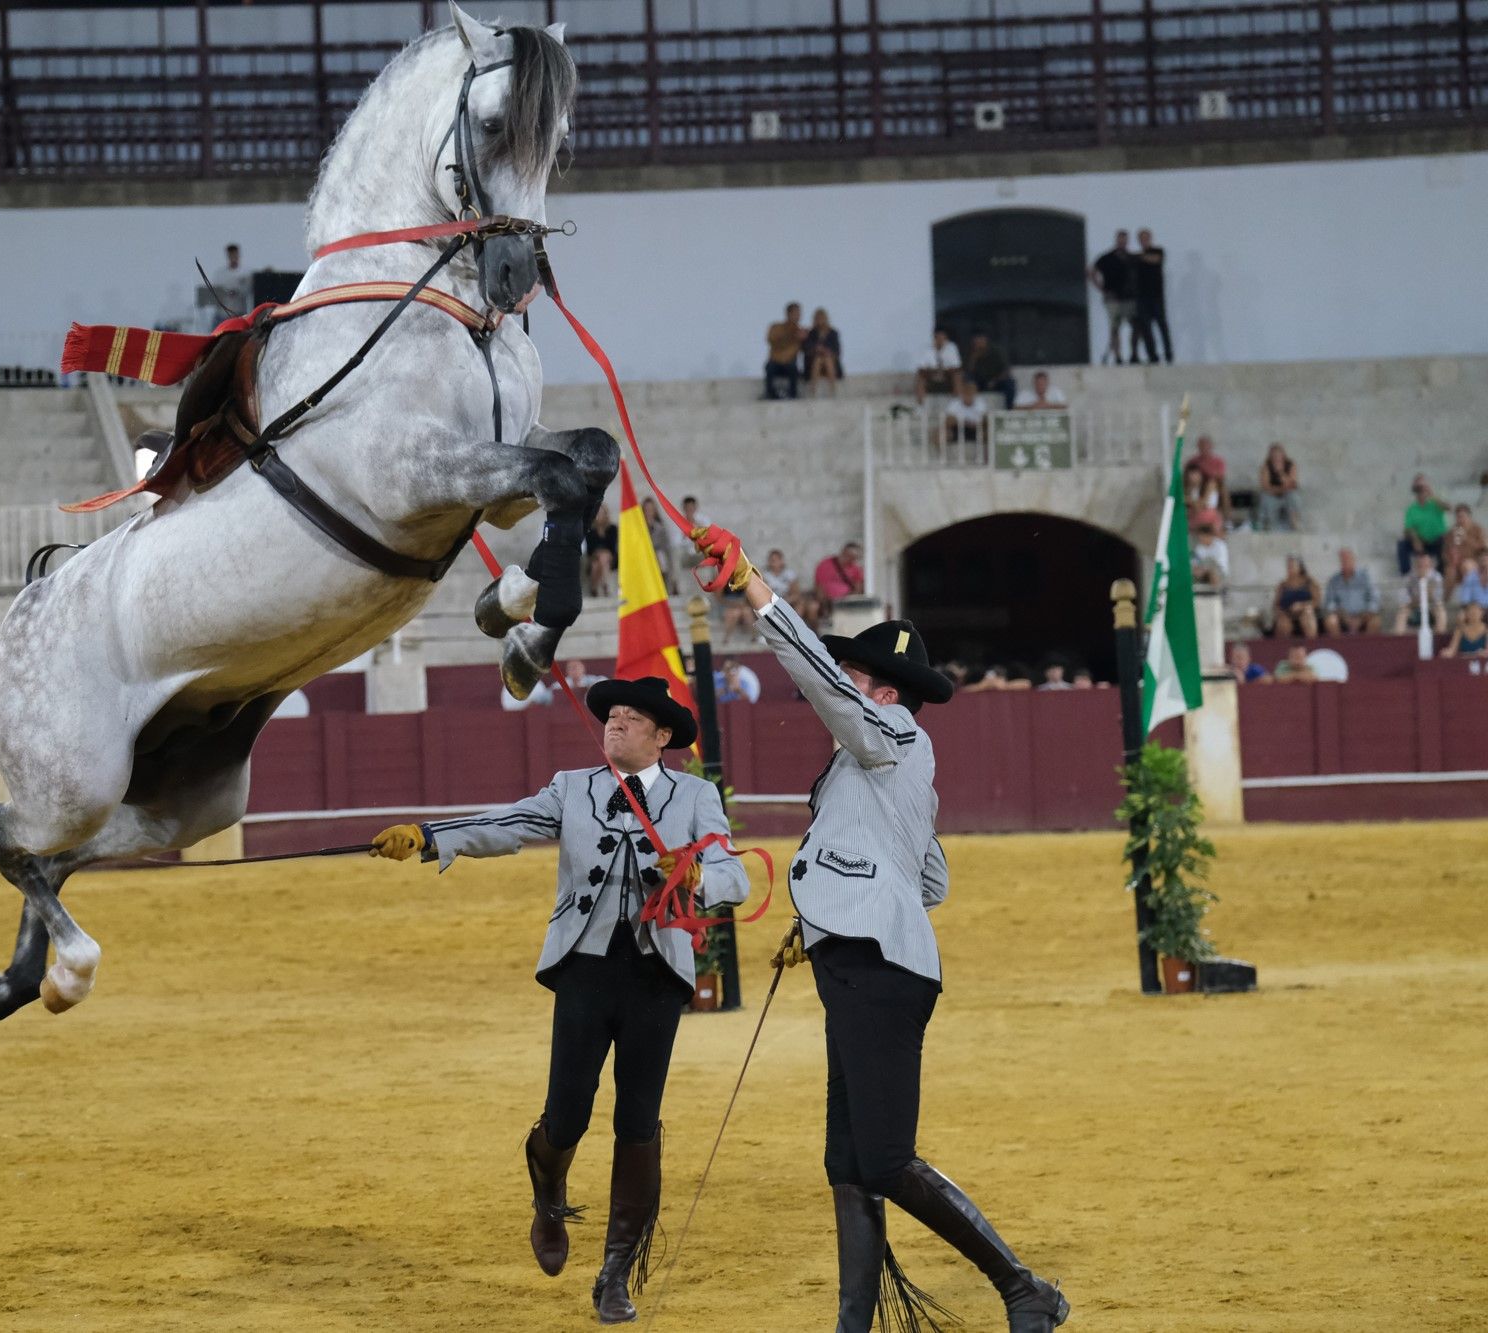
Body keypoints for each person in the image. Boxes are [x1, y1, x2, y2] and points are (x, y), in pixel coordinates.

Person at [689, 523, 1070, 1333]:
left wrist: (754, 586)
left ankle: (1022, 1285)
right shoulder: (884, 767)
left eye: (851, 677)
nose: (832, 687)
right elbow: (930, 875)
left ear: (885, 693)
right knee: (851, 1163)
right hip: (863, 959)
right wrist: (837, 906)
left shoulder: (893, 733)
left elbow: (827, 691)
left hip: (879, 971)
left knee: (887, 1158)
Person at [369, 678, 749, 1326]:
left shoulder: (694, 796)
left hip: (656, 976)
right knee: (566, 1115)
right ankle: (549, 1192)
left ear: (663, 738)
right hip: (585, 967)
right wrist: (432, 836)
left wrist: (696, 874)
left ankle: (614, 1273)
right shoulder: (573, 788)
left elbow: (734, 876)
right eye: (613, 716)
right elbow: (510, 823)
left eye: (632, 719)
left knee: (638, 1123)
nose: (616, 724)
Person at [1089, 229, 1137, 365]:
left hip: (1129, 298)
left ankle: (1134, 354)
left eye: (1125, 239)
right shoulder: (1106, 258)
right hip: (1112, 298)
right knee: (1115, 327)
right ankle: (1118, 356)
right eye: (1120, 239)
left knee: (1135, 325)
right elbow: (1092, 272)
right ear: (1116, 240)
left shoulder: (1132, 258)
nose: (1122, 242)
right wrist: (1101, 288)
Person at [1130, 228, 1172, 364]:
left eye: (1146, 237)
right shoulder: (1135, 258)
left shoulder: (1157, 251)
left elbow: (1155, 259)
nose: (1144, 240)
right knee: (1146, 328)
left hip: (1156, 296)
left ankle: (1168, 353)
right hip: (1141, 297)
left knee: (1162, 325)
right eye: (1141, 238)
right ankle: (1152, 355)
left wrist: (1139, 256)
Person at [1397, 475, 1449, 575]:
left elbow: (1448, 508)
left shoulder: (1435, 503)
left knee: (1444, 542)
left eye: (1423, 489)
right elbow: (1408, 528)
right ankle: (1406, 573)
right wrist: (1415, 539)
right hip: (1421, 542)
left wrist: (1432, 496)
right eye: (1418, 490)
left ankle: (1441, 573)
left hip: (1437, 540)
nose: (1421, 493)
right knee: (1402, 544)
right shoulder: (1412, 509)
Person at [1321, 549, 1382, 635]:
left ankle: (1368, 648)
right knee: (1331, 621)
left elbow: (1375, 599)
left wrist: (1362, 617)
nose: (1345, 562)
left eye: (1348, 559)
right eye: (1343, 560)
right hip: (1342, 618)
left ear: (1354, 560)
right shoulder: (1334, 581)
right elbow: (1329, 603)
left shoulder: (1366, 577)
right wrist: (1342, 615)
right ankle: (1339, 647)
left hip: (1364, 616)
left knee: (1375, 621)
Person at [807, 541, 865, 627]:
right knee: (812, 608)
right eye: (849, 556)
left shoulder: (856, 569)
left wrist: (847, 601)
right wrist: (825, 603)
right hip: (826, 602)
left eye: (854, 558)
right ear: (843, 552)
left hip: (845, 601)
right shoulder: (825, 564)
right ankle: (815, 633)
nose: (851, 559)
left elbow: (858, 589)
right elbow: (819, 587)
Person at [1393, 552, 1448, 636]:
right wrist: (1423, 595)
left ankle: (1439, 637)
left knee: (1441, 611)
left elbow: (1438, 598)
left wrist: (1426, 592)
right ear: (1415, 565)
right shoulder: (1408, 578)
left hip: (1431, 607)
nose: (1423, 568)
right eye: (1420, 565)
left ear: (1430, 565)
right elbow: (1403, 600)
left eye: (1425, 565)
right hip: (1413, 607)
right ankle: (1399, 639)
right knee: (1402, 613)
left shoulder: (1436, 577)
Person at [1183, 436, 1228, 529]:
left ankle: (1227, 518)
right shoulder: (1192, 462)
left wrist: (1189, 500)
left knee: (1223, 490)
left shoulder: (1217, 462)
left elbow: (1220, 477)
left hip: (1208, 506)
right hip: (1197, 509)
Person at [1271, 556, 1322, 638]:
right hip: (1287, 614)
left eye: (1292, 566)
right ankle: (1284, 647)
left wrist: (1302, 606)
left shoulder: (1309, 582)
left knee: (1308, 615)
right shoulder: (1283, 585)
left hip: (1306, 612)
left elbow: (1317, 601)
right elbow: (1276, 604)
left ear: (1300, 567)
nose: (1290, 568)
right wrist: (1280, 612)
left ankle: (1311, 643)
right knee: (1283, 623)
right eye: (1288, 566)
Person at [1256, 444, 1302, 532]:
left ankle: (1295, 523)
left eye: (1278, 455)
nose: (1276, 458)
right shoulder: (1266, 467)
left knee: (1293, 496)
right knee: (1265, 497)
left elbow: (1293, 484)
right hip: (1272, 495)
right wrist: (1281, 489)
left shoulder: (1290, 465)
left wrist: (1281, 473)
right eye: (1274, 456)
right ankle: (1268, 525)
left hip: (1286, 495)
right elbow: (1265, 486)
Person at [964, 334, 1016, 409]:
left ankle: (1009, 409)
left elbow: (1006, 369)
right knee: (969, 381)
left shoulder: (996, 351)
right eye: (976, 341)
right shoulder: (972, 352)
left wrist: (995, 380)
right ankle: (970, 408)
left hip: (997, 381)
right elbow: (969, 371)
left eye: (981, 340)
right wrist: (974, 358)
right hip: (981, 382)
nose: (979, 343)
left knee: (1010, 383)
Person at [765, 302, 804, 400]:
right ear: (788, 314)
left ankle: (792, 395)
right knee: (770, 368)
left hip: (790, 364)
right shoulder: (776, 327)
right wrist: (790, 335)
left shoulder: (800, 331)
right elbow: (771, 339)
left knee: (793, 369)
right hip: (775, 362)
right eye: (796, 313)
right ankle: (770, 393)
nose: (798, 316)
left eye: (799, 314)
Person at [914, 328, 962, 404]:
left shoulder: (951, 348)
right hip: (931, 376)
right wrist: (933, 371)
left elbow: (956, 366)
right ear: (934, 338)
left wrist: (943, 370)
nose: (940, 340)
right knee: (921, 378)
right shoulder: (926, 349)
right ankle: (920, 405)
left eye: (942, 338)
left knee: (957, 376)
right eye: (938, 337)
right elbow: (921, 368)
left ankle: (956, 403)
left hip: (947, 377)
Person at [803, 308, 843, 395]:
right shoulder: (811, 333)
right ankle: (813, 389)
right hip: (814, 363)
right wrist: (816, 349)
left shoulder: (833, 333)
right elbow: (807, 349)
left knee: (827, 359)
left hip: (830, 361)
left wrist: (827, 351)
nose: (820, 320)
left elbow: (837, 350)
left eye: (821, 318)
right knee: (818, 359)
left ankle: (832, 389)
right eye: (818, 318)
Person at [642, 497, 678, 593]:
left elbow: (666, 547)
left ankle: (667, 587)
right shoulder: (639, 528)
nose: (649, 512)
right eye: (646, 510)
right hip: (643, 555)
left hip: (658, 556)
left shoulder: (661, 528)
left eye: (651, 510)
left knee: (663, 558)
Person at [942, 379, 988, 452]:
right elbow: (948, 421)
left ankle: (987, 459)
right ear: (962, 393)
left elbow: (985, 420)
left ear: (975, 393)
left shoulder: (981, 403)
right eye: (966, 391)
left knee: (990, 433)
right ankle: (943, 458)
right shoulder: (954, 403)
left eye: (971, 392)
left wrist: (977, 424)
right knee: (940, 434)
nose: (969, 394)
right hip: (957, 429)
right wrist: (965, 423)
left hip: (976, 430)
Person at [585, 505, 619, 597]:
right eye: (598, 513)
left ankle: (594, 588)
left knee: (601, 560)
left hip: (610, 558)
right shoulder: (590, 530)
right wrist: (600, 553)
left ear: (606, 514)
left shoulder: (612, 529)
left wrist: (603, 553)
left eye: (602, 513)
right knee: (597, 563)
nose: (599, 516)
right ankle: (605, 586)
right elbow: (590, 550)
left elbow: (612, 547)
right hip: (594, 558)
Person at [1442, 503, 1485, 577]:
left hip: (1473, 560)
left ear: (1469, 517)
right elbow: (1445, 550)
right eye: (1458, 517)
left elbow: (1482, 548)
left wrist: (1466, 539)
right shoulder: (1451, 532)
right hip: (1455, 562)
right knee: (1450, 571)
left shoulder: (1478, 530)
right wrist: (1449, 558)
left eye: (1463, 517)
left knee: (1467, 566)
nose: (1460, 520)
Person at [1189, 520, 1228, 590]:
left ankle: (1216, 592)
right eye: (1200, 537)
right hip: (1204, 571)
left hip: (1219, 571)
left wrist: (1206, 569)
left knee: (1211, 569)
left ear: (1209, 536)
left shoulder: (1220, 545)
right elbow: (1195, 562)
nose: (1201, 539)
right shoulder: (1199, 547)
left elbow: (1220, 563)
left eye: (1203, 537)